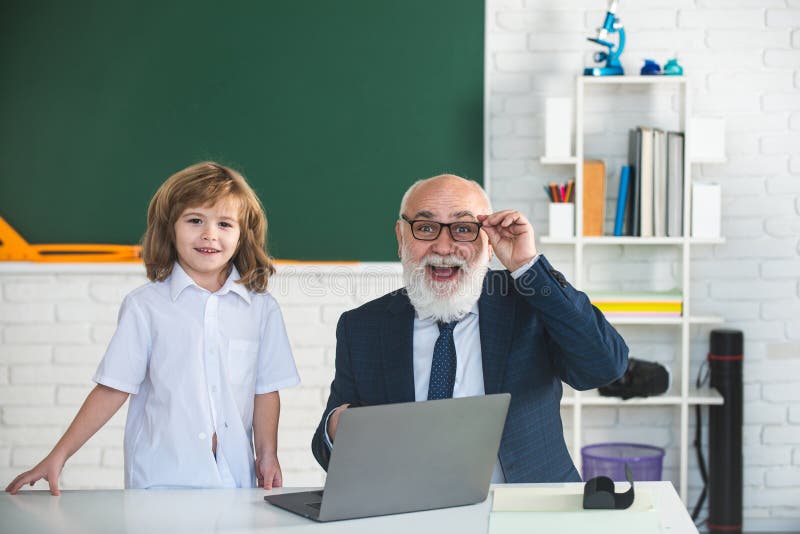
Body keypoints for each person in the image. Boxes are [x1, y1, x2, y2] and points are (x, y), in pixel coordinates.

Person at [311, 174, 628, 483]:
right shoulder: (361, 327)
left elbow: (604, 366)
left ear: (489, 243)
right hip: (413, 507)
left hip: (527, 506)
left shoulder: (531, 301)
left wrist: (527, 266)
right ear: (401, 237)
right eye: (425, 228)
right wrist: (338, 428)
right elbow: (328, 445)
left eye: (463, 229)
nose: (443, 247)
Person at [6, 162, 300, 494]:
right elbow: (113, 388)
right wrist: (58, 456)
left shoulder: (261, 309)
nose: (209, 234)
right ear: (169, 228)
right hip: (160, 480)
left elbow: (265, 390)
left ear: (242, 235)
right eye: (195, 220)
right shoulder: (144, 306)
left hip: (235, 481)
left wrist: (267, 454)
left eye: (224, 224)